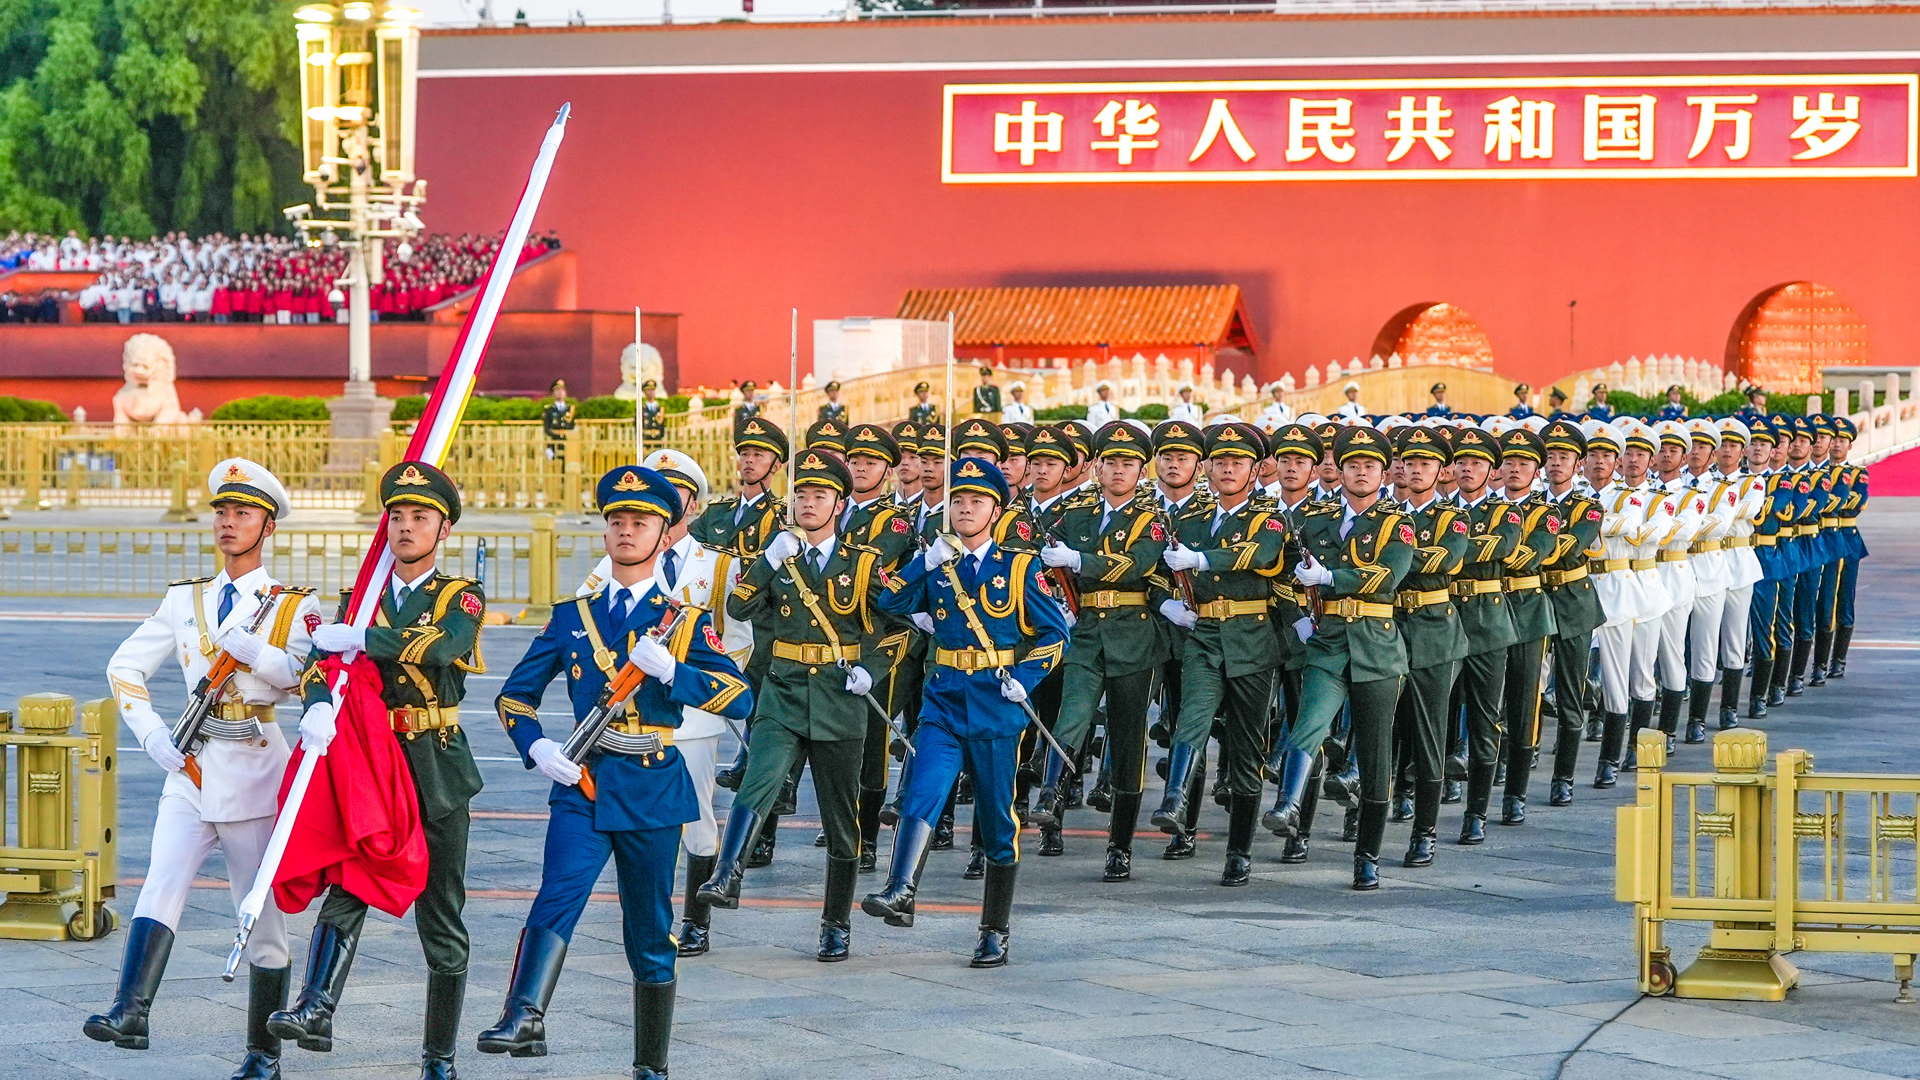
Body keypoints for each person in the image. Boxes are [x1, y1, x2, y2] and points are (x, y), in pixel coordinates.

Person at [479, 466, 752, 1079]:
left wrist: (672, 674)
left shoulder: (682, 621)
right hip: (584, 783)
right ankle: (525, 1015)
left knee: (650, 931)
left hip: (653, 786)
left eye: (642, 522)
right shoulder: (572, 615)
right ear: (605, 532)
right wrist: (537, 747)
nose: (627, 532)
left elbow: (740, 697)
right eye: (617, 522)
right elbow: (514, 697)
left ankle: (650, 1066)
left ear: (665, 532)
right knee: (556, 896)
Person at [89, 460, 319, 1078]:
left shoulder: (295, 606)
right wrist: (153, 733)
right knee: (160, 880)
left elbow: (312, 680)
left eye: (242, 513)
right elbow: (123, 667)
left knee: (260, 914)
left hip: (255, 765)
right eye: (221, 512)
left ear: (267, 527)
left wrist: (264, 657)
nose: (227, 523)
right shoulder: (183, 599)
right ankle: (130, 1011)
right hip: (189, 767)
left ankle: (263, 1054)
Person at [274, 461, 487, 1080]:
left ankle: (439, 1057)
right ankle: (316, 1007)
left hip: (434, 767)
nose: (406, 527)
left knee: (441, 914)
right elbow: (322, 664)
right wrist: (316, 707)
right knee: (351, 878)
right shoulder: (360, 597)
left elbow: (444, 645)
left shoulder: (459, 593)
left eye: (420, 518)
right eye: (397, 517)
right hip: (371, 764)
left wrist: (365, 637)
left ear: (442, 529)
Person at [865, 457, 1069, 965]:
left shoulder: (1018, 567)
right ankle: (900, 889)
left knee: (998, 822)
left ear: (996, 510)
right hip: (945, 698)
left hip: (998, 705)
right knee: (923, 791)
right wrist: (922, 563)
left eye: (976, 501)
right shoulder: (938, 563)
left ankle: (994, 929)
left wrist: (1025, 678)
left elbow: (1055, 633)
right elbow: (888, 600)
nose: (964, 508)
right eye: (957, 501)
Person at [699, 451, 890, 962]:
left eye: (819, 496)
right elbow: (737, 605)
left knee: (839, 818)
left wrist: (873, 667)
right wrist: (766, 561)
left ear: (839, 504)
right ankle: (726, 873)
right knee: (758, 780)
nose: (808, 503)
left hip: (838, 698)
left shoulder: (863, 563)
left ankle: (836, 921)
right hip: (782, 692)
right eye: (801, 495)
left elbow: (899, 625)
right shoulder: (780, 558)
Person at [1274, 426, 1415, 890]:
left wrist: (1331, 575)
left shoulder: (1398, 523)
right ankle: (1289, 804)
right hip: (1329, 640)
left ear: (1383, 473)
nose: (1359, 472)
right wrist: (1299, 614)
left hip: (1376, 645)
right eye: (1352, 465)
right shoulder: (1316, 521)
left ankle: (1368, 854)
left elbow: (1386, 574)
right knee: (1308, 724)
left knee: (1374, 756)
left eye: (1369, 466)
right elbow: (1286, 576)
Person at [1030, 422, 1168, 881]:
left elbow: (1136, 566)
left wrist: (1080, 561)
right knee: (1071, 715)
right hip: (1085, 631)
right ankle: (1051, 793)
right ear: (1097, 467)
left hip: (1134, 637)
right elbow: (1038, 560)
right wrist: (1056, 597)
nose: (1117, 471)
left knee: (1129, 743)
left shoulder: (1151, 520)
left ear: (1140, 470)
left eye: (1127, 464)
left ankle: (1120, 846)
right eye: (1110, 462)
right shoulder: (1075, 515)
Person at [1158, 421, 1290, 885]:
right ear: (1208, 468)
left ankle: (1240, 850)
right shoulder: (1189, 519)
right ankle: (1174, 798)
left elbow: (1261, 552)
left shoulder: (1269, 516)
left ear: (1255, 470)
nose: (1228, 469)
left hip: (1252, 639)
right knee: (1191, 717)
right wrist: (1167, 602)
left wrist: (1203, 560)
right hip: (1206, 632)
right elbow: (1159, 566)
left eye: (1239, 462)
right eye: (1221, 462)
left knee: (1245, 745)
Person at [638, 450, 754, 956]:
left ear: (695, 503)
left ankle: (696, 919)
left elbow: (741, 639)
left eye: (676, 490)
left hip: (694, 716)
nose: (666, 498)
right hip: (636, 712)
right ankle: (651, 915)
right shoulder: (619, 562)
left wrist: (701, 683)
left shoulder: (720, 565)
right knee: (643, 817)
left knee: (698, 816)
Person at [1384, 425, 1467, 867]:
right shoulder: (1384, 514)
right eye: (1410, 463)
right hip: (1386, 627)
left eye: (1426, 464)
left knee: (1429, 733)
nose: (1416, 471)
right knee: (1380, 727)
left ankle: (1425, 831)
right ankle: (1375, 805)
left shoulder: (1452, 518)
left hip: (1434, 630)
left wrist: (1392, 560)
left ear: (1443, 469)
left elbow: (1446, 560)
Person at [1490, 427, 1562, 826]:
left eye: (1524, 463)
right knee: (1483, 699)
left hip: (1526, 610)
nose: (1515, 469)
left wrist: (1489, 554)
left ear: (1536, 470)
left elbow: (1535, 554)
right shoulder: (1484, 509)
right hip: (1484, 609)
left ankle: (1515, 791)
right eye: (1510, 462)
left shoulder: (1545, 513)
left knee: (1523, 702)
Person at [1537, 420, 1605, 807]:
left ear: (1578, 464)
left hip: (1574, 603)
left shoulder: (1587, 506)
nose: (1557, 463)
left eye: (1564, 457)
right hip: (1535, 601)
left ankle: (1563, 775)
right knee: (1526, 689)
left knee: (1569, 694)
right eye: (1551, 456)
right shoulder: (1531, 504)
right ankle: (1519, 755)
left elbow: (1571, 543)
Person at [542, 379, 576, 460]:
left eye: (562, 390)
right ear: (553, 393)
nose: (560, 392)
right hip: (554, 443)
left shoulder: (570, 409)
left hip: (568, 444)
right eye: (557, 390)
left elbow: (572, 426)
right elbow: (547, 429)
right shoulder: (549, 410)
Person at [640, 380, 667, 444]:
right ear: (644, 392)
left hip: (657, 438)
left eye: (653, 390)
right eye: (648, 390)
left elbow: (662, 424)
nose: (651, 392)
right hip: (646, 438)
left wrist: (661, 436)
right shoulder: (642, 408)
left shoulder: (659, 408)